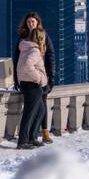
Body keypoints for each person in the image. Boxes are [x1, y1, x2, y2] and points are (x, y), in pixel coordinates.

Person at [13, 12, 56, 144]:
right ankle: (25, 140)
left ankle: (35, 136)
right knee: (31, 111)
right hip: (32, 81)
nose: (30, 24)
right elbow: (21, 63)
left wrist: (50, 78)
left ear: (37, 23)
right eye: (28, 22)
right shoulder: (30, 45)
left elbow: (50, 57)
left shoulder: (39, 38)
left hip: (38, 79)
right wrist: (38, 78)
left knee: (41, 109)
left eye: (33, 22)